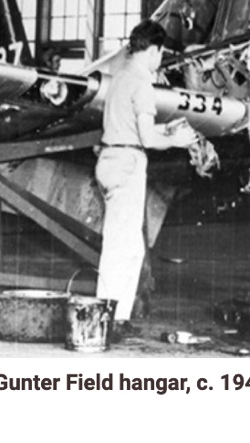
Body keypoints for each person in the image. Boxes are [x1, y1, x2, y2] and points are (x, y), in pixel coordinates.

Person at [94, 20, 195, 335]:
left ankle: (118, 318)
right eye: (160, 53)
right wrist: (176, 140)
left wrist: (167, 129)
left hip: (112, 157)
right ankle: (105, 319)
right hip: (127, 163)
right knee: (119, 247)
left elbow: (135, 128)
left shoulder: (121, 78)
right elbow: (148, 141)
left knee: (133, 248)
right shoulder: (142, 84)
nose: (160, 59)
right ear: (154, 50)